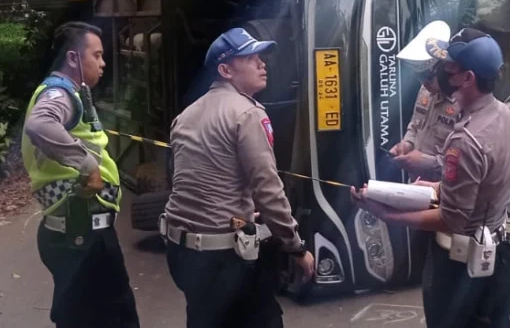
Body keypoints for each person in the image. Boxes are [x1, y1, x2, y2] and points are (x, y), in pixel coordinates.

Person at [352, 28, 510, 328]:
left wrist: (387, 213)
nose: (441, 73)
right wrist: (437, 186)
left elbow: (453, 219)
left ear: (467, 78)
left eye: (449, 67)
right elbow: (484, 182)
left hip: (461, 270)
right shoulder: (503, 115)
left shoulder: (465, 139)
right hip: (499, 257)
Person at [162, 27, 315, 328]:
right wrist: (296, 247)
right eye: (251, 58)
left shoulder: (185, 116)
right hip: (223, 258)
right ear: (225, 69)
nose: (262, 64)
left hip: (180, 251)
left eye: (260, 57)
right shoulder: (247, 114)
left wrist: (239, 208)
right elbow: (269, 191)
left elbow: (193, 181)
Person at [21, 21, 139, 328]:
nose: (102, 63)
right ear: (73, 57)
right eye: (97, 55)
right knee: (112, 317)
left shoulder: (68, 92)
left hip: (78, 231)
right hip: (82, 232)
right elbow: (40, 124)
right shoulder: (60, 94)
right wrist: (88, 167)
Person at [389, 20, 457, 180]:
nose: (424, 84)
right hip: (416, 182)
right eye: (419, 78)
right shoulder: (425, 92)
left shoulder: (465, 103)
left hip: (444, 190)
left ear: (444, 70)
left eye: (428, 78)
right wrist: (406, 145)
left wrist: (427, 163)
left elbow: (466, 166)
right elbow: (415, 126)